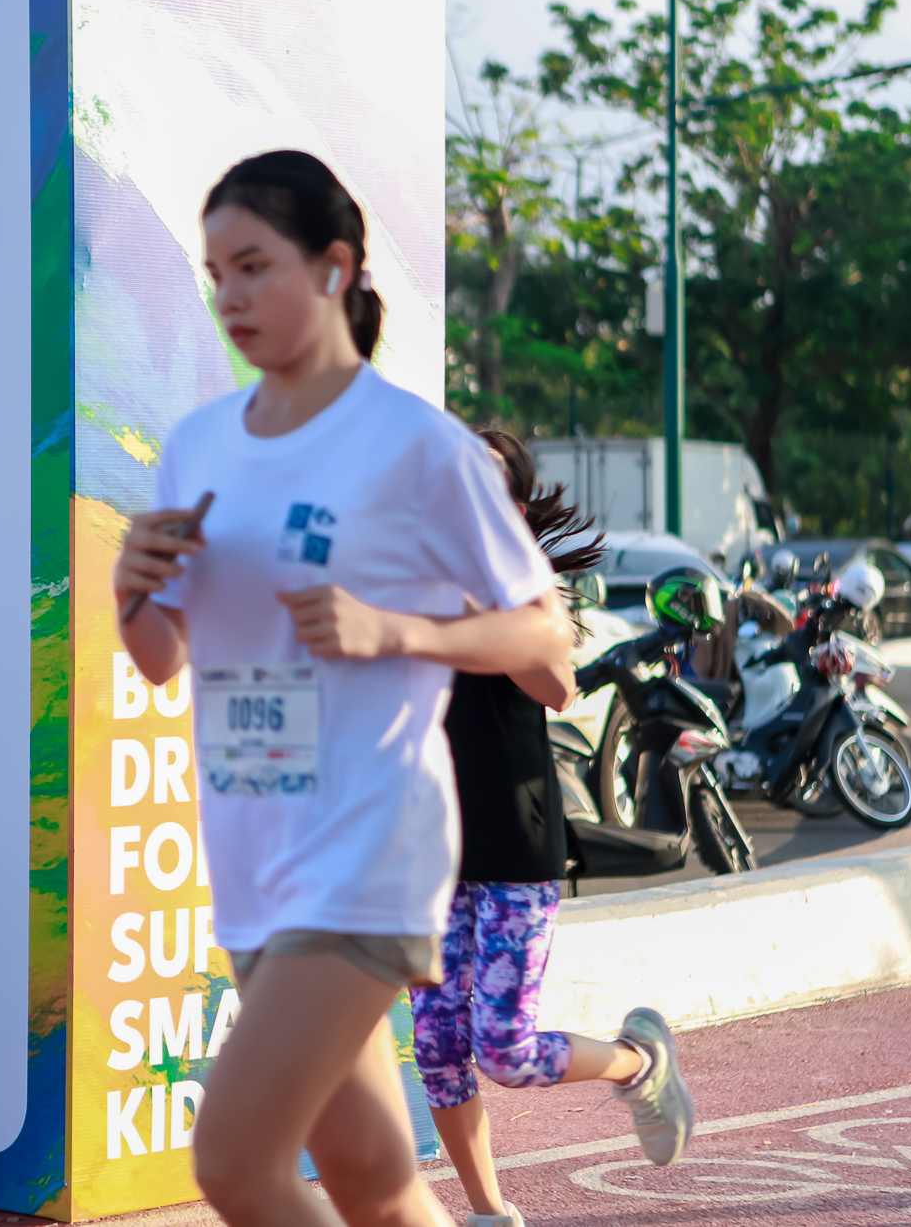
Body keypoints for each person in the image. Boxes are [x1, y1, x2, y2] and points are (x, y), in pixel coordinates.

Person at [115, 150, 577, 1227]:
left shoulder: (415, 447)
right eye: (215, 274)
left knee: (235, 1162)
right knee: (372, 1181)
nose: (229, 297)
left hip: (370, 848)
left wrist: (394, 630)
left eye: (253, 266)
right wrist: (131, 589)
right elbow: (160, 657)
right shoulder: (197, 446)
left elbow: (545, 637)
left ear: (332, 268)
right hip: (253, 857)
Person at [412, 430, 696, 1227]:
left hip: (513, 843)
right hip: (429, 850)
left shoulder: (529, 585)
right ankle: (489, 1212)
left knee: (503, 1048)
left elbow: (558, 685)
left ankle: (638, 1062)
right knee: (436, 1047)